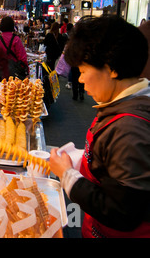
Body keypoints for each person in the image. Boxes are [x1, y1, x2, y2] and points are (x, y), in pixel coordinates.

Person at [49, 14, 150, 238]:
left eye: (84, 71)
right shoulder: (118, 104)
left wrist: (67, 176)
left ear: (112, 69)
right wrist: (81, 159)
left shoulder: (130, 128)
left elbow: (122, 212)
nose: (81, 79)